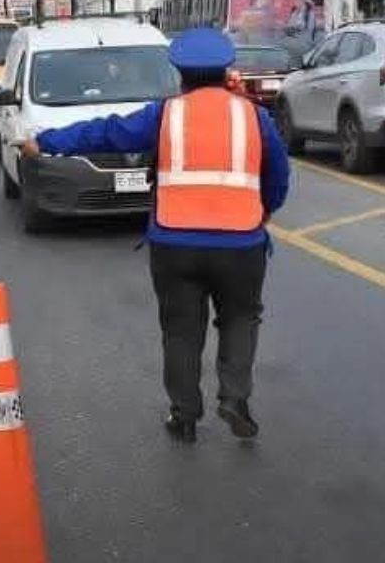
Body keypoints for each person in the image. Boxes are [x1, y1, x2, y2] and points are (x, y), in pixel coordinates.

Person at [17, 28, 290, 444]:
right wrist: (263, 211)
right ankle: (234, 398)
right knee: (240, 318)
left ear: (179, 74)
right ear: (225, 71)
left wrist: (46, 142)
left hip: (175, 244)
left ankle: (184, 415)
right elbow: (278, 175)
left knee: (181, 329)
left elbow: (107, 131)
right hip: (241, 244)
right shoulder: (255, 116)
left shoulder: (165, 115)